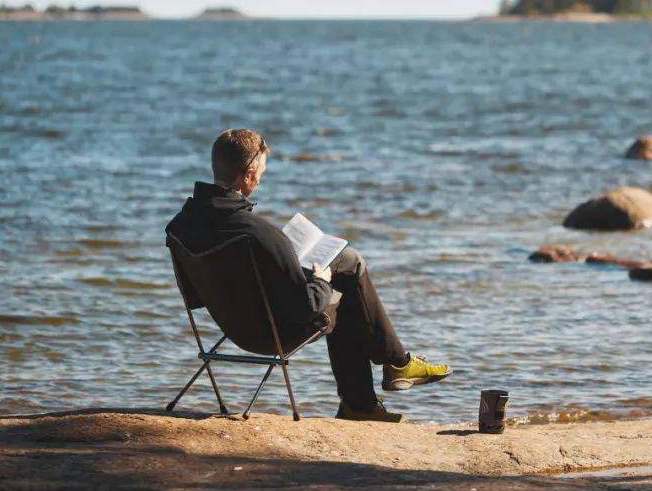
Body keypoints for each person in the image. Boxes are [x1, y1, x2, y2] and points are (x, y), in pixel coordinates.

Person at [166, 128, 450, 422]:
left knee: (345, 273)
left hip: (234, 325)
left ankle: (376, 387)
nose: (261, 178)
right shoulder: (258, 233)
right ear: (249, 175)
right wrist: (320, 280)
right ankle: (386, 375)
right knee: (348, 275)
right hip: (270, 335)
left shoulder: (180, 226)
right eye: (261, 172)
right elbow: (307, 308)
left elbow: (194, 298)